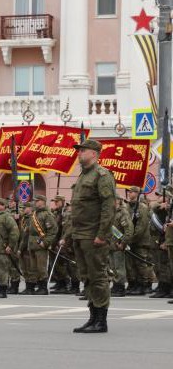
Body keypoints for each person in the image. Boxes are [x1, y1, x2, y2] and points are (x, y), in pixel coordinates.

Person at [69, 138, 116, 333]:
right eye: (79, 150)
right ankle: (93, 316)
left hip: (94, 235)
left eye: (83, 150)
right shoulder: (83, 176)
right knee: (86, 277)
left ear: (94, 154)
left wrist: (102, 235)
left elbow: (108, 207)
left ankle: (101, 320)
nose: (79, 153)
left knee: (98, 276)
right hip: (80, 235)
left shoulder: (102, 175)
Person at [124, 186, 156, 295]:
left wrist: (131, 239)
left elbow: (140, 227)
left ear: (137, 193)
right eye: (129, 192)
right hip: (130, 240)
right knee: (131, 264)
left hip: (140, 241)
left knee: (140, 264)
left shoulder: (142, 207)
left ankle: (143, 285)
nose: (129, 193)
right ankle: (135, 284)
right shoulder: (127, 206)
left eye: (132, 192)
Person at [21, 195, 56, 295]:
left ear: (43, 202)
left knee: (41, 267)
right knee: (33, 267)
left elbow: (53, 231)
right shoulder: (34, 214)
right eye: (35, 201)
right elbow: (28, 231)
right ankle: (34, 287)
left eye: (37, 201)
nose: (35, 203)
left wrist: (45, 243)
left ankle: (43, 288)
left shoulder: (46, 215)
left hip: (40, 244)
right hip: (32, 244)